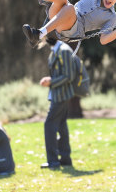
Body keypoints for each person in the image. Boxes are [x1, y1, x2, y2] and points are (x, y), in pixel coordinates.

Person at [38, 37, 75, 168]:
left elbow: (68, 76)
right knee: (61, 126)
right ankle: (65, 159)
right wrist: (51, 80)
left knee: (49, 126)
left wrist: (51, 81)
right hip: (58, 94)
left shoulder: (64, 50)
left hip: (61, 95)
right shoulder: (58, 49)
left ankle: (52, 161)